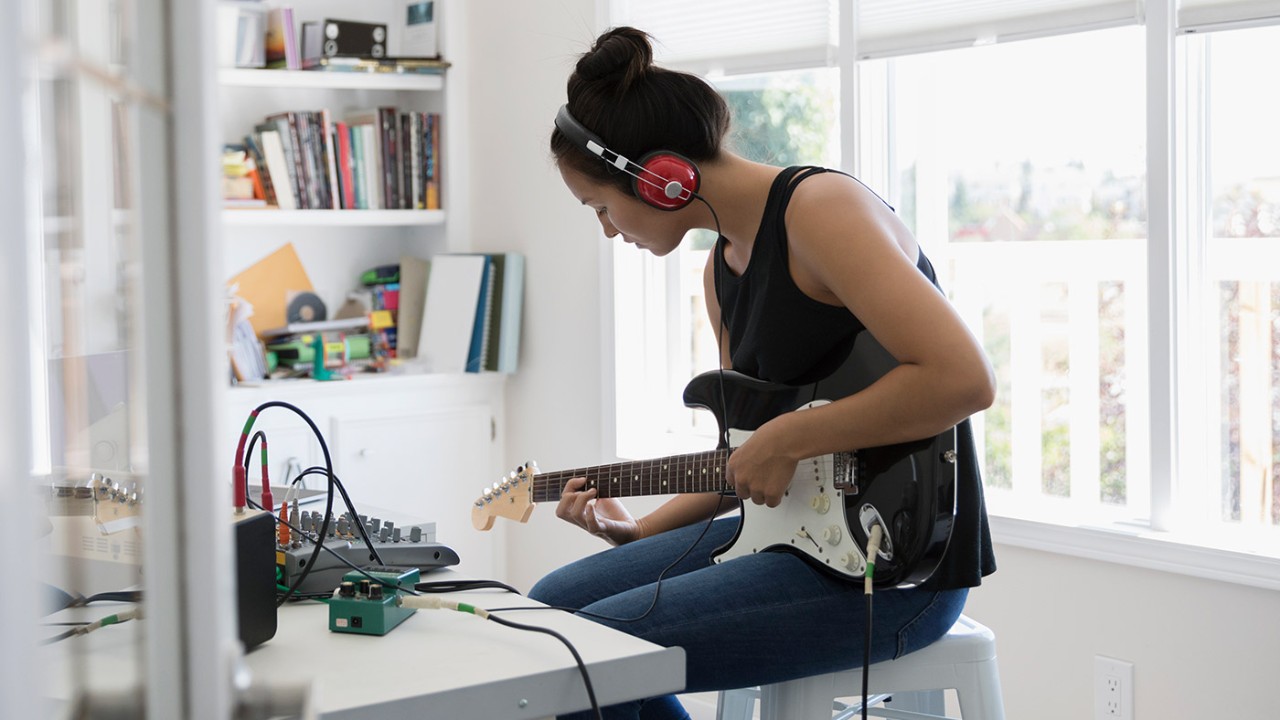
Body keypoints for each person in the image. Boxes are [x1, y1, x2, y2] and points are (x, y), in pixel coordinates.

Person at [531, 26, 997, 720]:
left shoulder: (821, 213)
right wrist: (642, 533)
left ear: (661, 178)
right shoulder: (720, 272)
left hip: (894, 571)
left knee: (582, 655)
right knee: (542, 617)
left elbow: (963, 378)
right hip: (787, 536)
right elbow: (744, 457)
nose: (606, 229)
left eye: (600, 206)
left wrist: (790, 439)